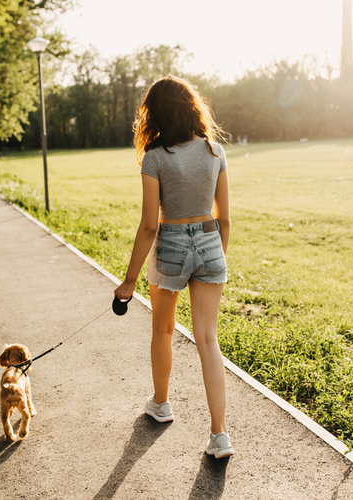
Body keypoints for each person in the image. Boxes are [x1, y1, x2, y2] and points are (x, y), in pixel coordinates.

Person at [114, 75, 233, 459]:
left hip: (171, 245)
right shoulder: (215, 151)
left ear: (156, 114)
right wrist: (217, 256)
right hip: (211, 243)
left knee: (163, 329)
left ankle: (161, 405)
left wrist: (128, 283)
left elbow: (150, 225)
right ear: (192, 107)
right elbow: (225, 219)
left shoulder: (155, 157)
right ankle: (219, 436)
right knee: (208, 340)